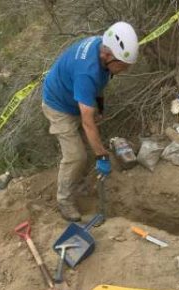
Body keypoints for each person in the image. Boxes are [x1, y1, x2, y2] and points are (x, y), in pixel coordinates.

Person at [41, 22, 139, 221]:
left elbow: (100, 83)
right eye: (124, 65)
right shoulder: (87, 71)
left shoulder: (101, 48)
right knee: (76, 156)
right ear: (109, 56)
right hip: (58, 106)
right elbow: (87, 122)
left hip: (74, 95)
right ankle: (64, 200)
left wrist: (99, 105)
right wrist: (102, 155)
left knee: (88, 146)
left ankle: (81, 183)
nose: (125, 70)